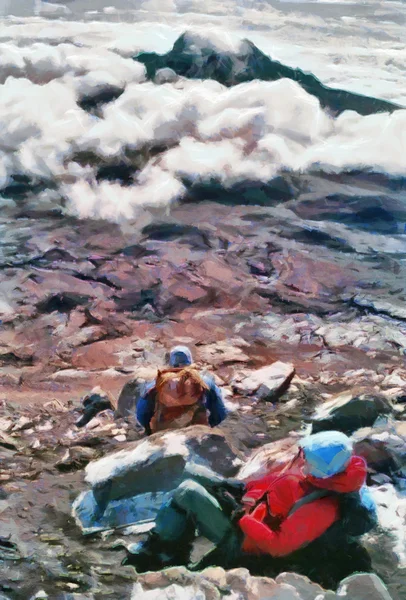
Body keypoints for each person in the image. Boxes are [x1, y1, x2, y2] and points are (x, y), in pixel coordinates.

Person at [122, 431, 378, 588]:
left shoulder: (323, 507)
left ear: (322, 468)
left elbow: (278, 546)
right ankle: (166, 544)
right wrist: (239, 488)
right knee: (193, 473)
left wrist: (240, 516)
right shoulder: (319, 477)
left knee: (188, 491)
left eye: (306, 456)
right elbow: (277, 488)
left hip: (245, 540)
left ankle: (163, 552)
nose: (301, 458)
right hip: (249, 510)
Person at [136, 346, 227, 435]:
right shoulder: (204, 381)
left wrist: (149, 432)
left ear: (171, 363)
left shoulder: (157, 383)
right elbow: (221, 412)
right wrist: (210, 426)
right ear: (190, 362)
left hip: (163, 435)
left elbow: (141, 414)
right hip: (197, 434)